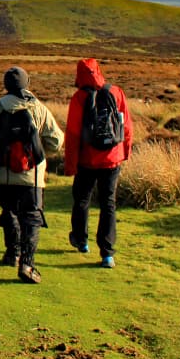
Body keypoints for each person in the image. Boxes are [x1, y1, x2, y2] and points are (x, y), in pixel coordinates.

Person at [0, 66, 64, 284]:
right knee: (32, 217)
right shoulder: (39, 109)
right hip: (32, 177)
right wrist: (41, 151)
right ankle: (27, 263)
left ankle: (11, 254)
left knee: (9, 211)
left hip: (4, 175)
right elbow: (56, 142)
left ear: (6, 85)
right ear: (27, 83)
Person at [64, 58, 133, 269]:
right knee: (108, 203)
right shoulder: (116, 92)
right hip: (112, 159)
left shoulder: (79, 98)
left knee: (82, 199)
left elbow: (73, 134)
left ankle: (80, 239)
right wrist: (125, 152)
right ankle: (107, 253)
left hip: (87, 160)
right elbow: (127, 126)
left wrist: (70, 164)